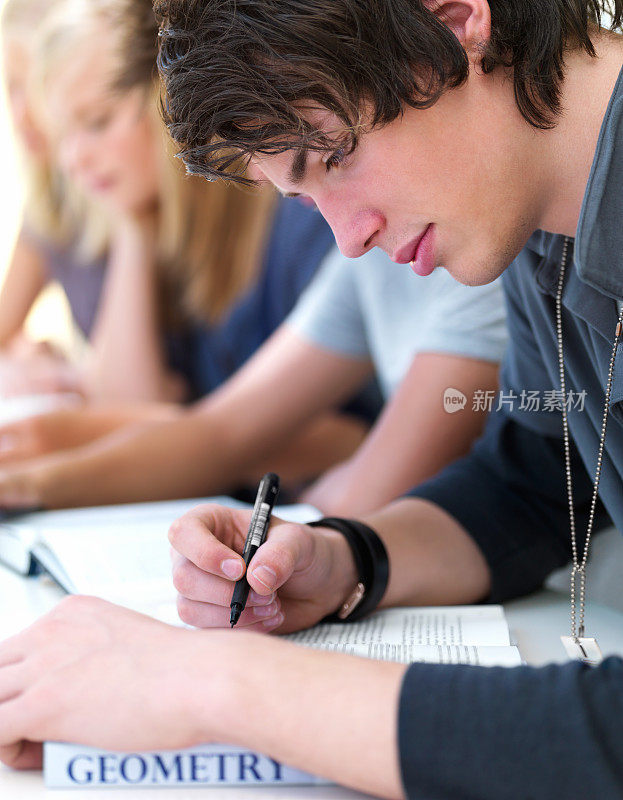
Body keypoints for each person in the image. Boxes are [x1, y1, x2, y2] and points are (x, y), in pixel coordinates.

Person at [3, 0, 623, 798]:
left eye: (330, 158)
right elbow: (537, 484)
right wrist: (342, 559)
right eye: (303, 199)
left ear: (456, 19)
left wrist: (205, 684)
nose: (347, 239)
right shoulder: (545, 234)